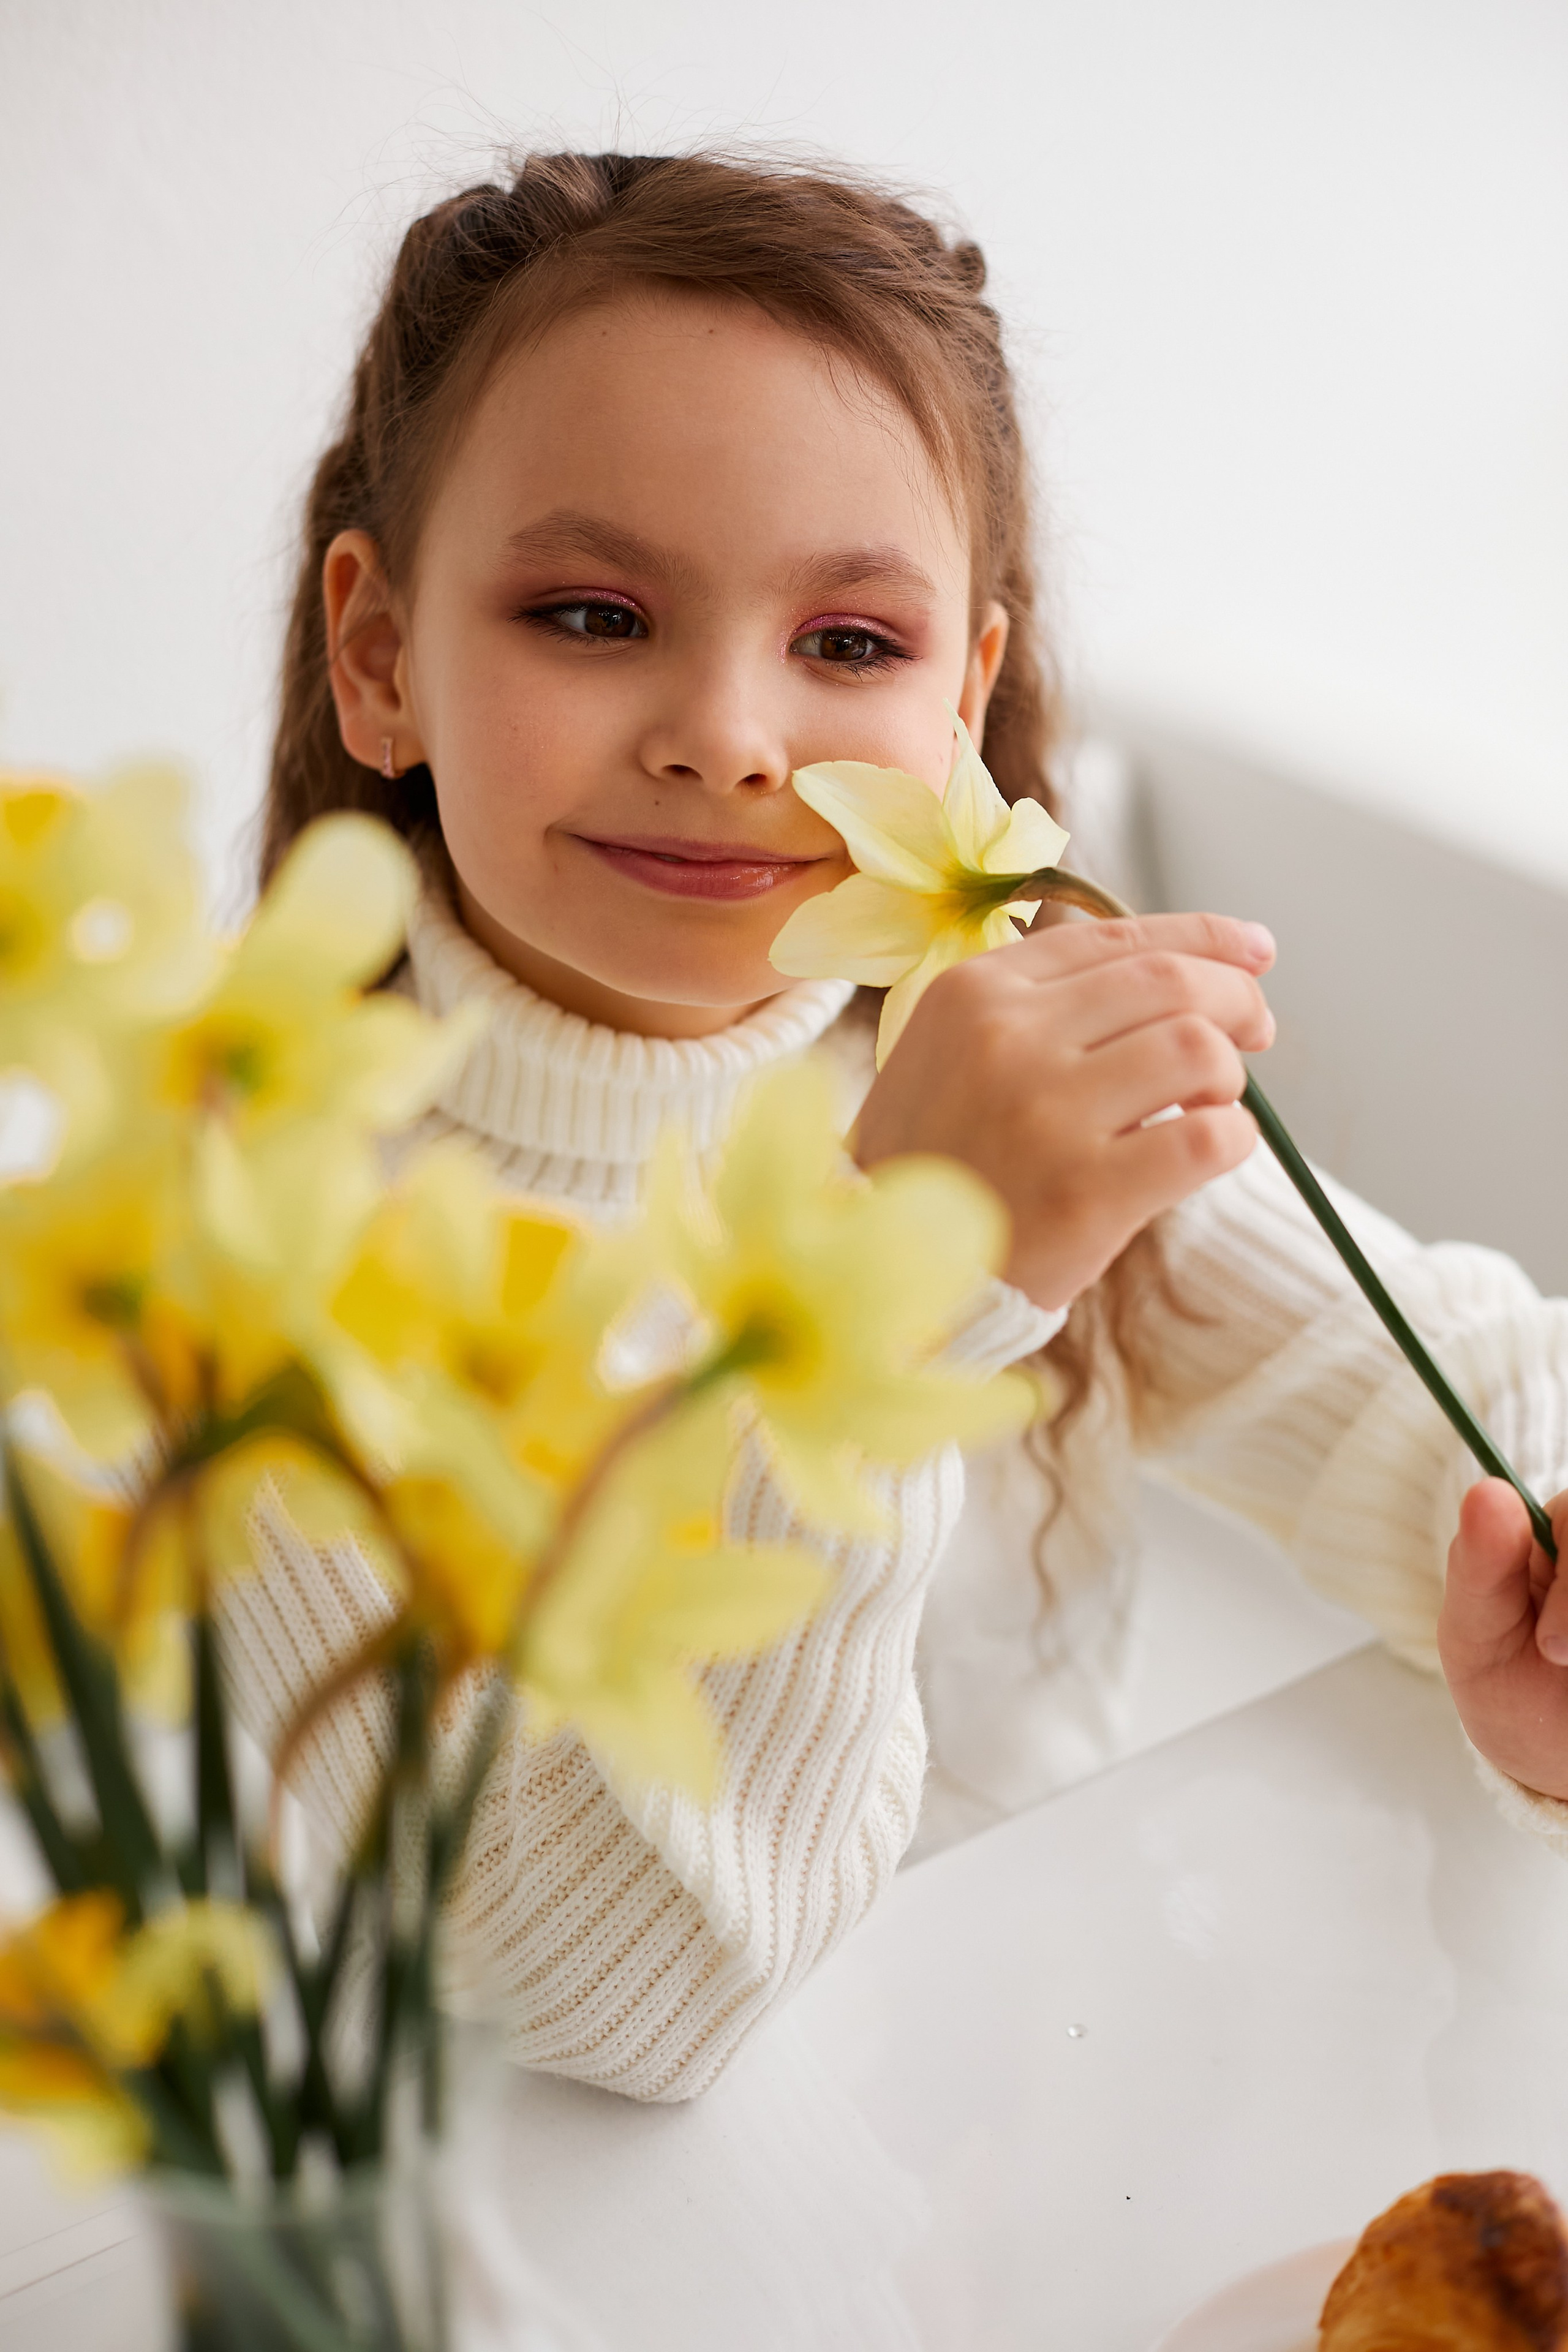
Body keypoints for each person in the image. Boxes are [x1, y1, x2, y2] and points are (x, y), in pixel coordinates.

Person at [223, 149, 1568, 2103]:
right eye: (592, 613)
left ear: (967, 693)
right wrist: (902, 1283)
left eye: (850, 645)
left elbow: (1434, 1413)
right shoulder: (256, 1266)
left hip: (1063, 2094)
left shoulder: (990, 1070)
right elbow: (605, 1997)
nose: (731, 733)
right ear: (379, 653)